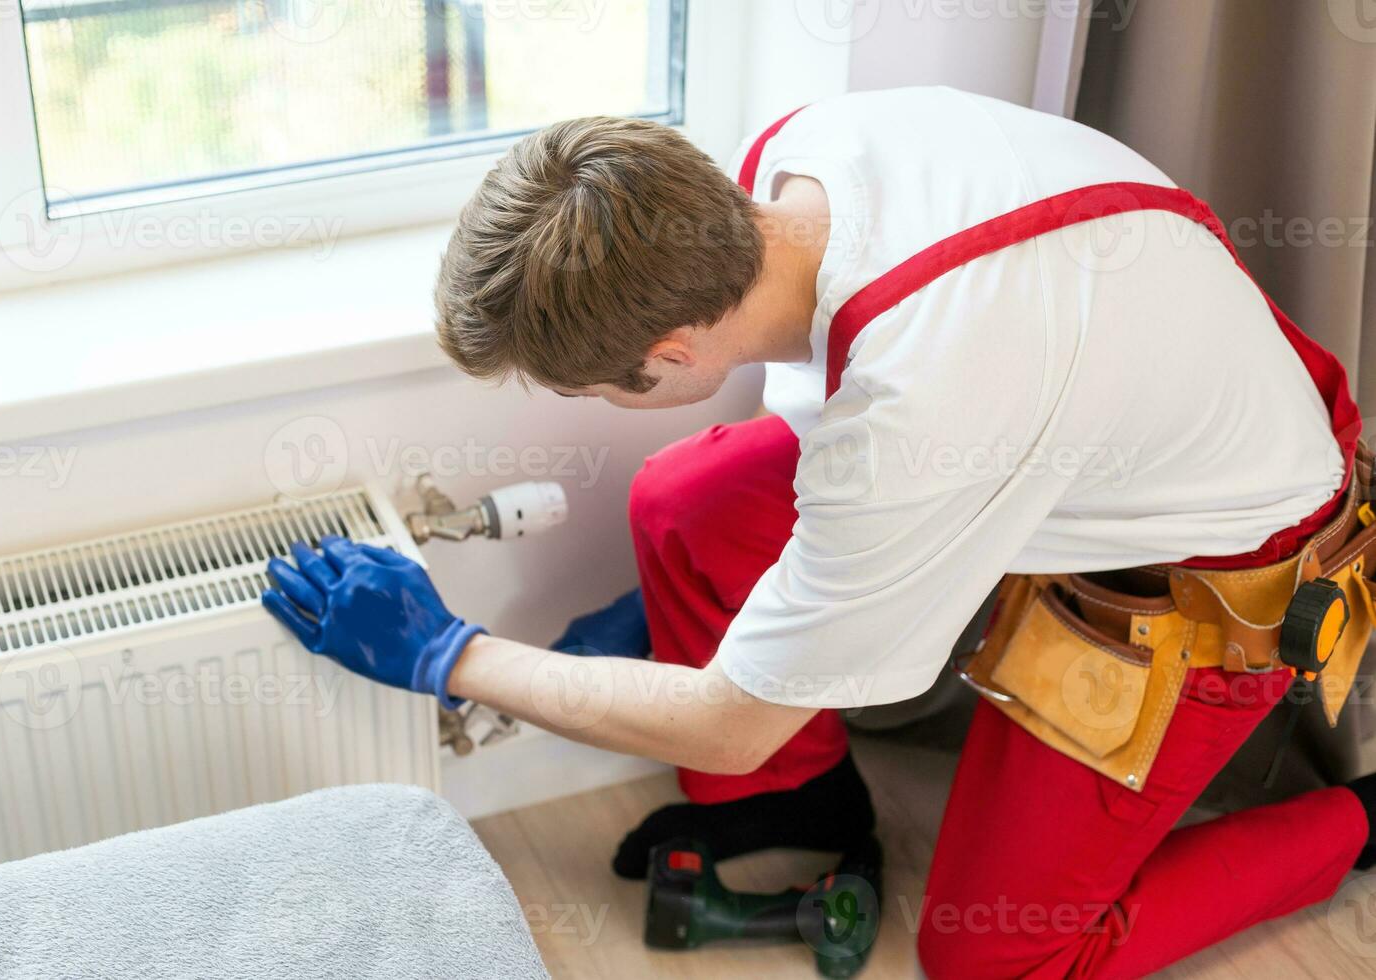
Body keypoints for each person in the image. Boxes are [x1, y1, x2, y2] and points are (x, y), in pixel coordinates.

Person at [263, 87, 1376, 977]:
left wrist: (451, 655)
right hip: (1088, 415)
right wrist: (675, 611)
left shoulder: (916, 404)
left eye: (602, 391)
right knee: (685, 508)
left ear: (676, 355)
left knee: (995, 952)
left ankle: (1357, 825)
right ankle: (805, 798)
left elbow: (732, 720)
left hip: (1219, 562)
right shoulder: (808, 152)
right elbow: (853, 431)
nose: (602, 409)